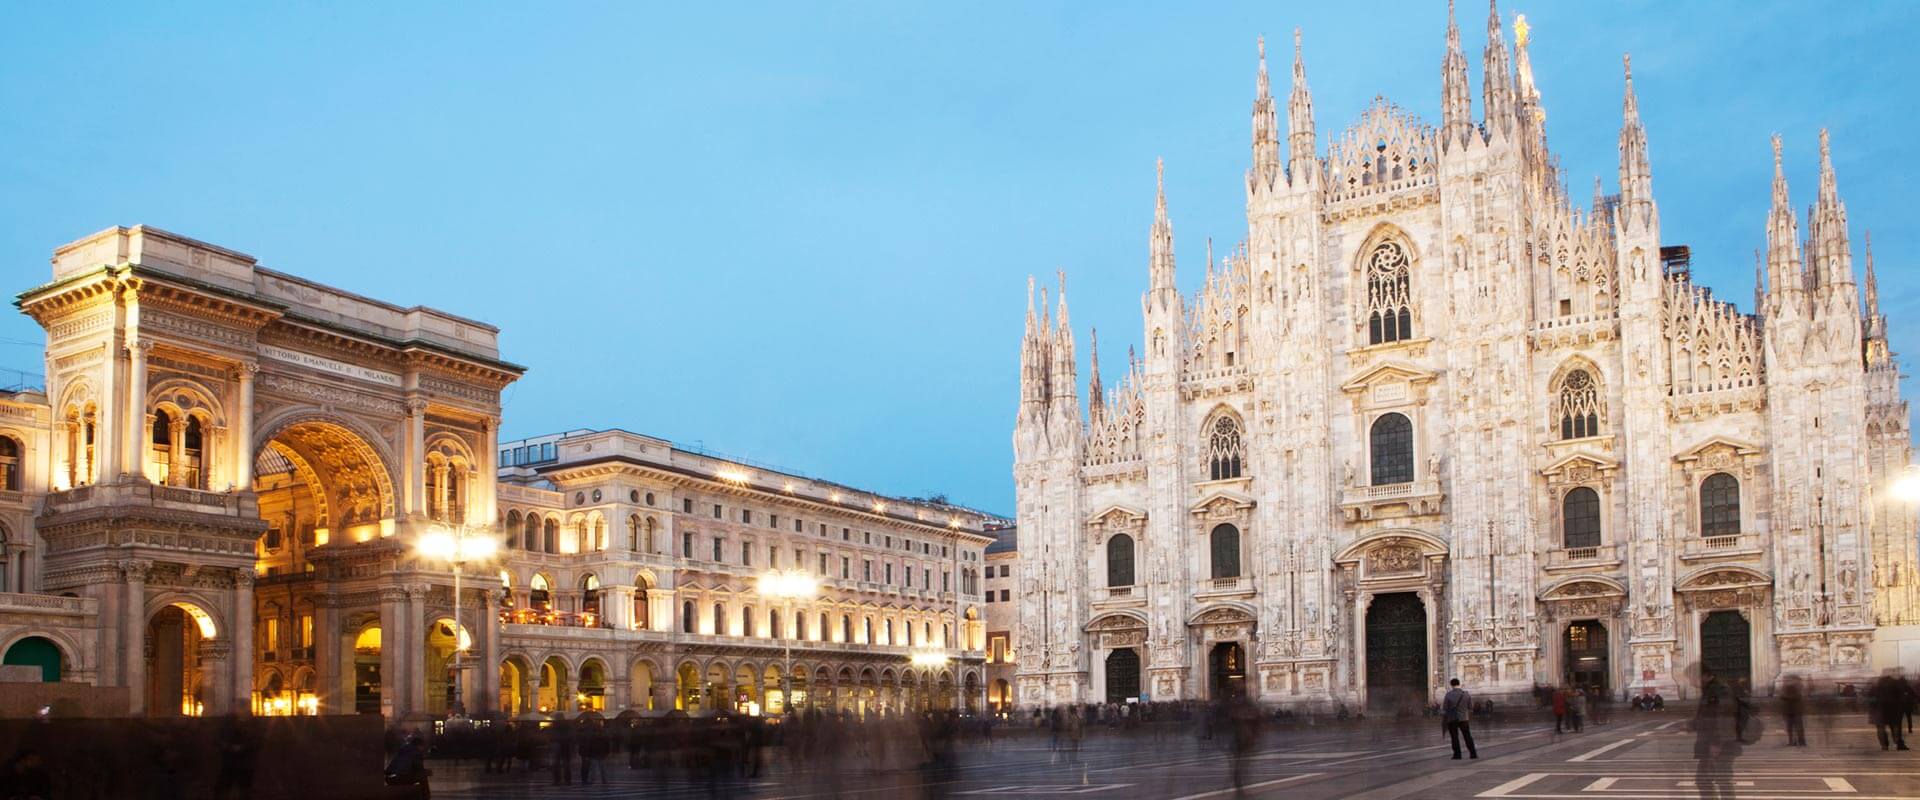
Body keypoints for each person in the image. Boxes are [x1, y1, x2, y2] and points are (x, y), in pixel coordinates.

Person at [1870, 671, 1911, 751]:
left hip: (1880, 709)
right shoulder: (1895, 684)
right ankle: (1898, 743)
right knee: (1894, 726)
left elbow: (1871, 697)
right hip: (1893, 709)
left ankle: (1884, 745)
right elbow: (1901, 695)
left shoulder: (1877, 685)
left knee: (1881, 728)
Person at [1442, 678, 1479, 760]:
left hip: (1452, 719)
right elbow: (1470, 707)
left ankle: (1457, 755)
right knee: (1467, 736)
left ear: (1451, 685)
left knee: (1454, 738)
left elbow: (1445, 708)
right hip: (1464, 719)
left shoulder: (1448, 695)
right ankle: (1473, 754)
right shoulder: (1466, 694)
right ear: (1459, 684)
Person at [1779, 674, 1807, 746]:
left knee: (1792, 727)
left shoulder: (1791, 687)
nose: (1784, 681)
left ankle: (1795, 741)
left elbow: (1793, 697)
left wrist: (1783, 696)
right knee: (1796, 727)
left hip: (1792, 709)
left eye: (1786, 679)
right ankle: (1798, 741)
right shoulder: (1798, 686)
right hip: (1794, 710)